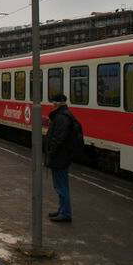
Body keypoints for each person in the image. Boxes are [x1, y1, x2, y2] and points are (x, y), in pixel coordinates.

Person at [45, 93, 76, 223]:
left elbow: (58, 138)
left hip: (60, 157)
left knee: (61, 186)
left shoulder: (62, 117)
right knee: (60, 185)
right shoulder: (63, 115)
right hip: (60, 156)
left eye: (54, 102)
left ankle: (65, 213)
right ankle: (62, 210)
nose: (52, 105)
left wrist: (51, 152)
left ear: (57, 103)